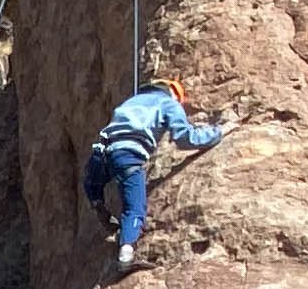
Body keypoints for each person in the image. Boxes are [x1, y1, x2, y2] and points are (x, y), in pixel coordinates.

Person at [82, 80, 226, 272]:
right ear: (174, 94)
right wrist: (219, 132)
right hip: (128, 156)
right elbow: (184, 138)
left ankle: (98, 204)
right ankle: (126, 254)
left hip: (102, 153)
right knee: (134, 208)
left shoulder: (130, 103)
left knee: (92, 182)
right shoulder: (168, 103)